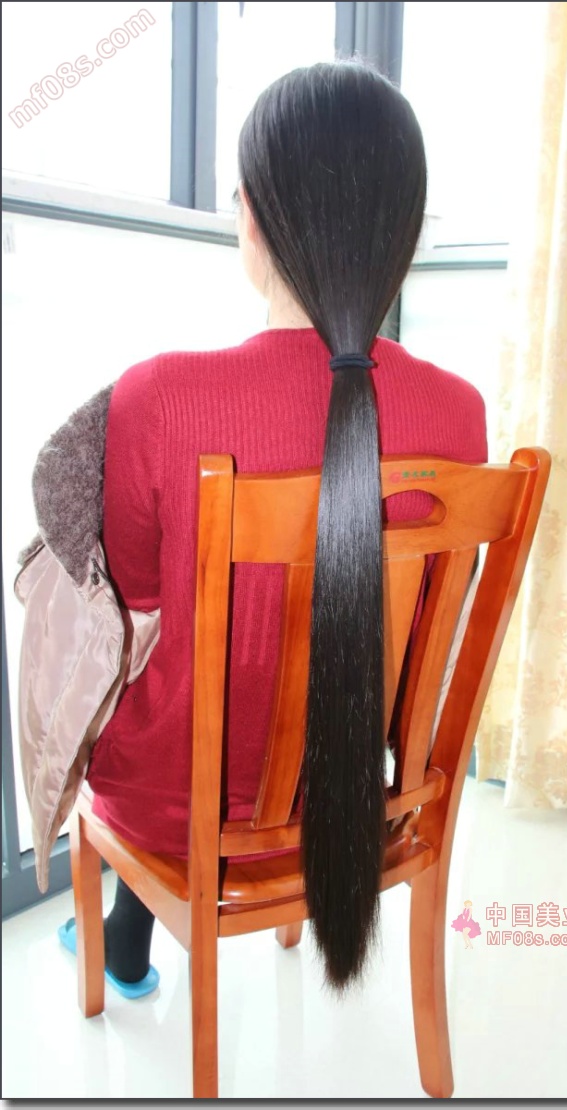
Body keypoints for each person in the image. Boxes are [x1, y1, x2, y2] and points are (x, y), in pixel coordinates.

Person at [60, 60, 487, 994]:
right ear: (401, 231)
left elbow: (135, 602)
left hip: (184, 804)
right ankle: (137, 923)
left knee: (144, 707)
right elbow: (423, 631)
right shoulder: (460, 414)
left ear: (251, 215)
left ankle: (127, 935)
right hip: (354, 796)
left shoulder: (160, 395)